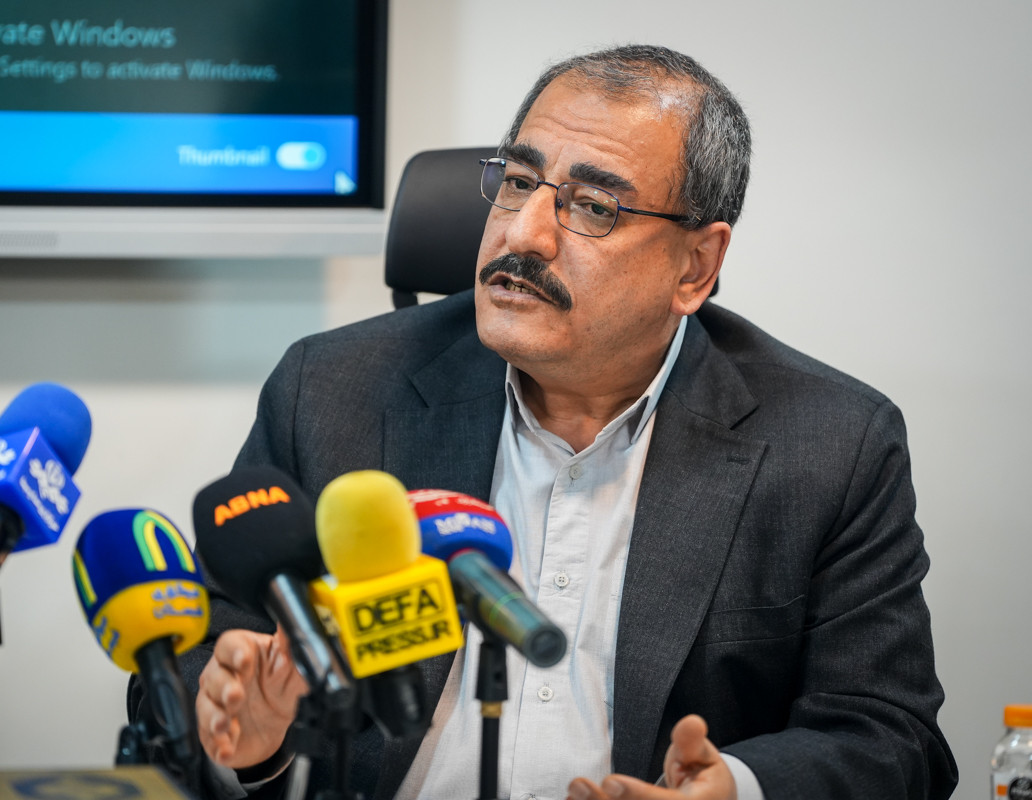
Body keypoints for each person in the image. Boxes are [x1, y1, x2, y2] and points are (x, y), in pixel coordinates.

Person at [130, 44, 957, 799]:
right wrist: (252, 742)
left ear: (695, 266)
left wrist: (735, 789)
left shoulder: (832, 444)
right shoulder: (332, 391)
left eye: (592, 206)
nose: (522, 233)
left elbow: (891, 739)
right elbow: (189, 666)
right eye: (519, 182)